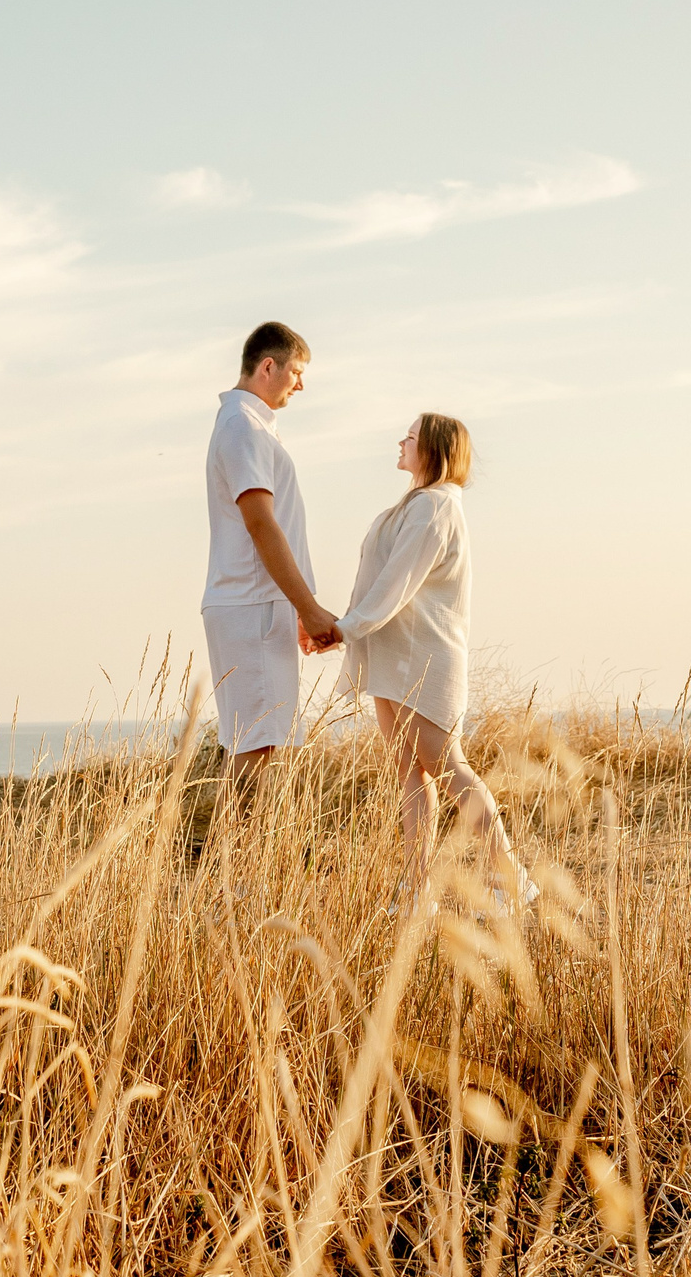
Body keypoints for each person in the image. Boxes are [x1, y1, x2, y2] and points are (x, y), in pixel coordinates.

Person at [334, 412, 529, 911]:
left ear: (434, 450)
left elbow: (396, 582)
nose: (401, 441)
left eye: (412, 437)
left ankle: (511, 879)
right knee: (408, 770)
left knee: (448, 768)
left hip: (424, 657)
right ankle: (417, 886)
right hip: (394, 653)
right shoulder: (415, 505)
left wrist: (342, 628)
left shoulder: (436, 508)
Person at [203, 322, 342, 812]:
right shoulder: (243, 426)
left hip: (259, 605)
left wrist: (298, 613)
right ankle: (232, 887)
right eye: (295, 372)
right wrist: (310, 607)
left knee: (260, 749)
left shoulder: (250, 425)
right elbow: (261, 525)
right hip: (252, 605)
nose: (300, 385)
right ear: (268, 366)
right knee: (255, 752)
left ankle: (236, 883)